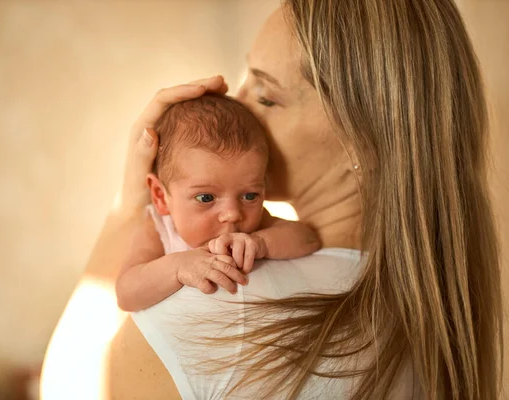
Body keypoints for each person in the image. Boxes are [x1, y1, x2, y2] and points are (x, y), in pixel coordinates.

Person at [41, 1, 503, 399]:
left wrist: (128, 204)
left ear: (359, 143)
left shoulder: (219, 305)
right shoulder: (425, 307)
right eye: (245, 80)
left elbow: (69, 386)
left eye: (265, 95)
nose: (235, 106)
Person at [116, 94, 320, 312]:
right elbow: (126, 293)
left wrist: (262, 243)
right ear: (159, 195)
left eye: (250, 196)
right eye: (206, 198)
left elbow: (307, 238)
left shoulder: (255, 229)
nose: (233, 214)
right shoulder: (158, 229)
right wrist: (177, 267)